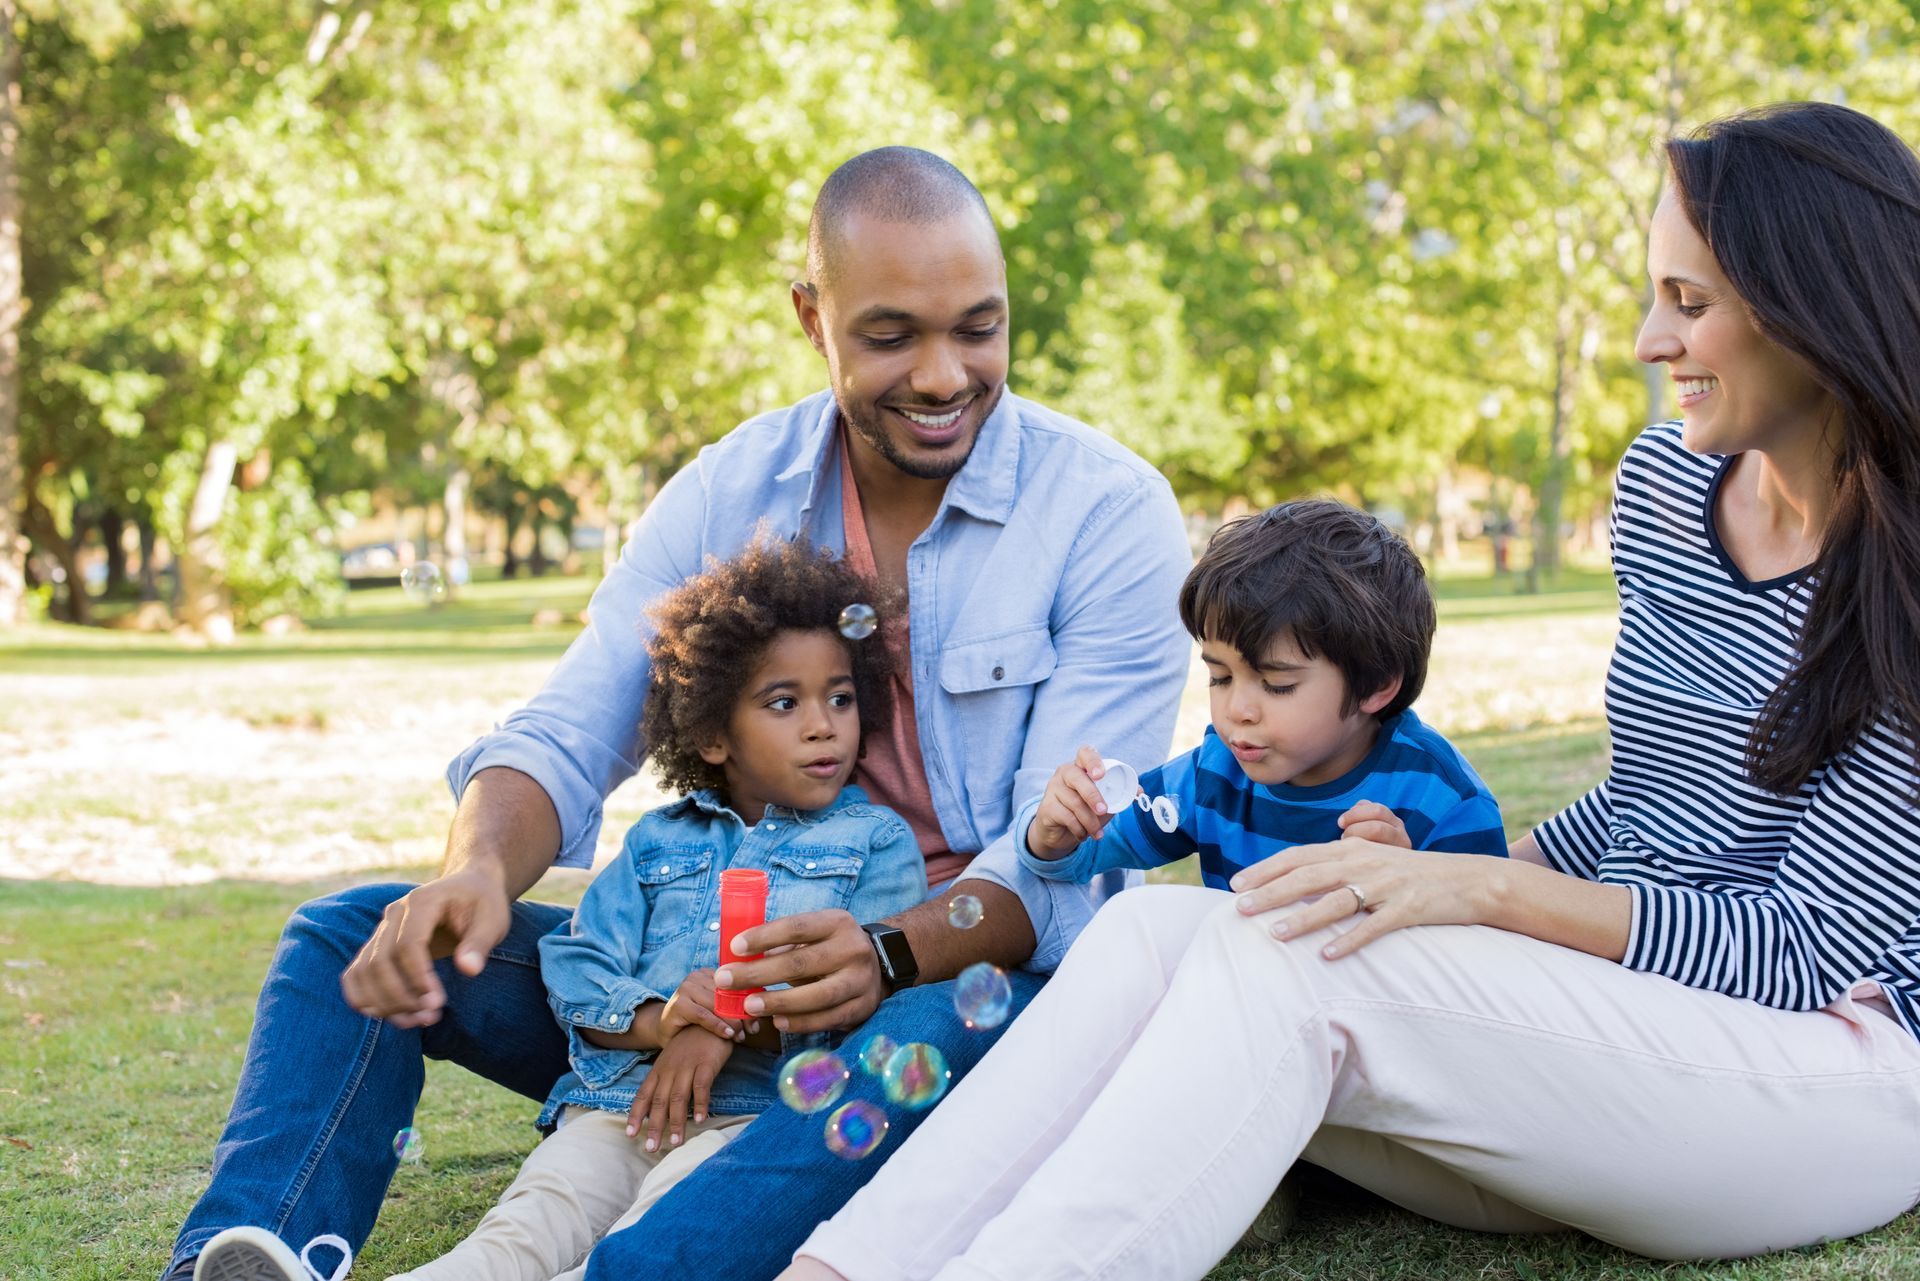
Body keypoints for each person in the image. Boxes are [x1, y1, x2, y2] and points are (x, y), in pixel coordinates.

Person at [779, 101, 1920, 1281]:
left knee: (1291, 952)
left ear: (1812, 310)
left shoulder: (1906, 579)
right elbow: (1650, 808)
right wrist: (1429, 873)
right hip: (1627, 1054)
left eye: (1689, 304)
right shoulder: (1667, 494)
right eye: (1653, 294)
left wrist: (1466, 891)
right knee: (1161, 931)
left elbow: (1812, 953)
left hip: (1836, 1081)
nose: (1647, 339)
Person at [162, 146, 1193, 1281]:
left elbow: (1065, 859)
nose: (946, 375)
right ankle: (249, 1256)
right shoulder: (725, 494)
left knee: (920, 1028)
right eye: (892, 334)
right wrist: (474, 876)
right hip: (708, 992)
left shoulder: (1107, 513)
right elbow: (569, 729)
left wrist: (890, 955)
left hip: (965, 991)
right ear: (813, 318)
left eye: (979, 328)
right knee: (357, 929)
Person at [1020, 498, 1507, 901]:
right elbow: (1091, 855)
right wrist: (1055, 835)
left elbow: (1485, 962)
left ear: (1377, 684)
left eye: (1276, 684)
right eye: (1220, 677)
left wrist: (1410, 880)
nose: (1237, 711)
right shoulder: (1214, 774)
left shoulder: (1441, 799)